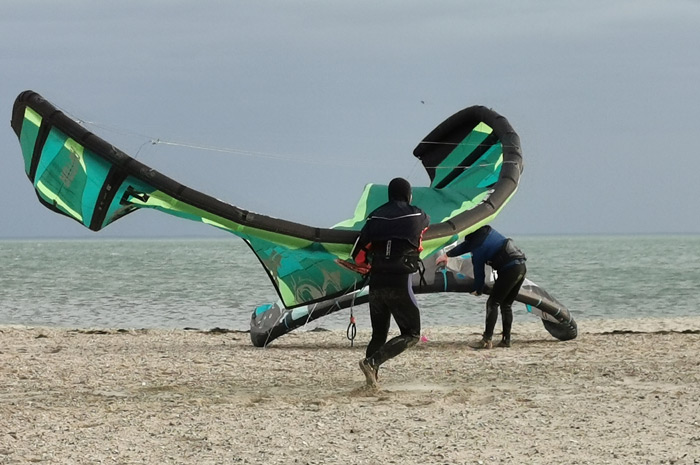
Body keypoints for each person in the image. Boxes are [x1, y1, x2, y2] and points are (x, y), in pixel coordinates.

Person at [351, 177, 429, 389]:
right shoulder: (417, 214)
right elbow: (423, 231)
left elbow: (356, 254)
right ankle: (372, 362)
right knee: (412, 334)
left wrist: (367, 264)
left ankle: (371, 381)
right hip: (399, 280)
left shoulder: (375, 217)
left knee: (379, 334)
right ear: (408, 194)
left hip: (376, 281)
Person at [438, 225, 526, 349]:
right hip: (521, 267)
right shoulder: (486, 233)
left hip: (510, 271)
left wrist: (477, 290)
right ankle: (506, 340)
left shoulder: (478, 247)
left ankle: (486, 340)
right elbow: (467, 246)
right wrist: (448, 255)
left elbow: (479, 273)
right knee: (506, 305)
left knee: (492, 303)